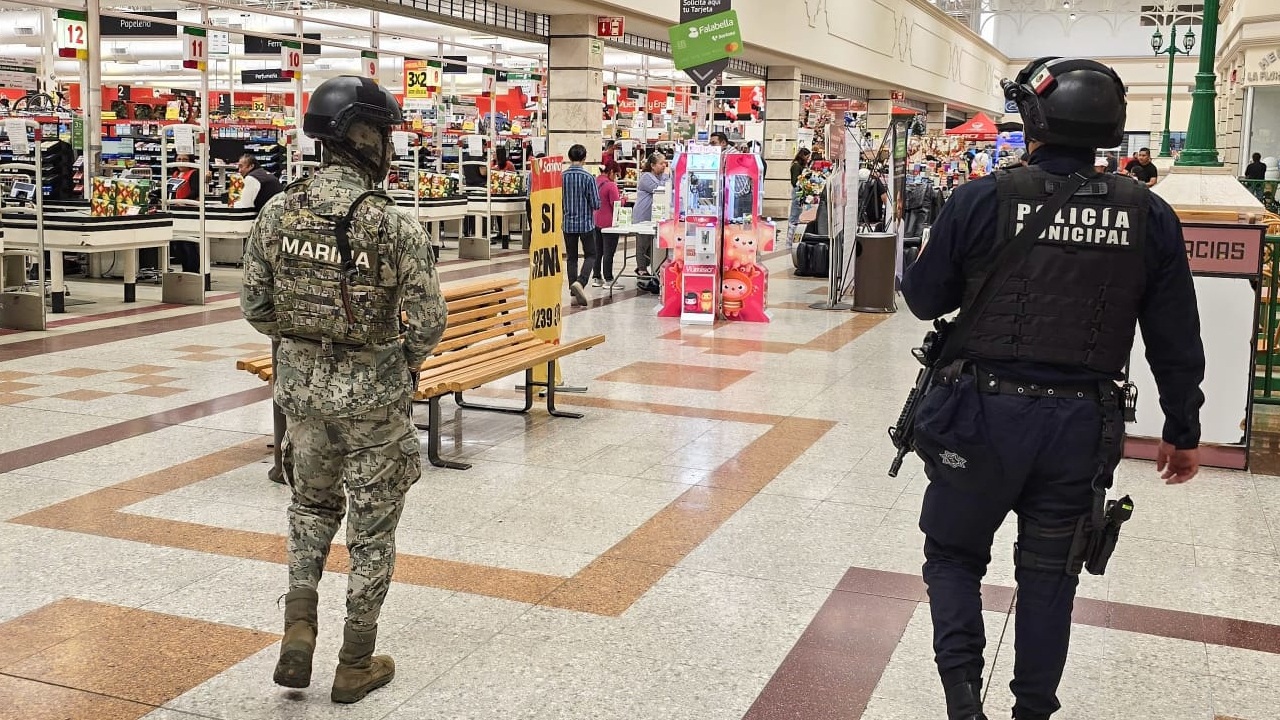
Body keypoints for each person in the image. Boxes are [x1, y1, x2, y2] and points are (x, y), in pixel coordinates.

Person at [900, 57, 1204, 720]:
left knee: (952, 556)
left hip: (978, 417)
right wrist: (1183, 431)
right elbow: (1176, 338)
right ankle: (1033, 711)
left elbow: (924, 301)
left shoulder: (982, 198)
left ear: (1033, 119)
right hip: (1078, 430)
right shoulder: (1148, 215)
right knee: (1050, 578)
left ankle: (961, 702)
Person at [240, 75, 447, 705]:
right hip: (374, 397)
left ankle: (297, 633)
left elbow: (256, 304)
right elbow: (430, 319)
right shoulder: (392, 225)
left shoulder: (279, 210)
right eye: (383, 133)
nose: (388, 145)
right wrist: (397, 360)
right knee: (372, 527)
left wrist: (301, 347)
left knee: (309, 508)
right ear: (361, 137)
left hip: (302, 396)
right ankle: (355, 659)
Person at [562, 143, 600, 307]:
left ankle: (573, 289)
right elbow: (596, 203)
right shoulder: (588, 178)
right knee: (591, 255)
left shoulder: (561, 177)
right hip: (585, 224)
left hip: (568, 224)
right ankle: (581, 282)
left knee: (571, 258)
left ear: (569, 158)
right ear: (584, 158)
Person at [632, 152, 668, 278]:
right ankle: (641, 269)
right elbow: (660, 189)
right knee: (642, 244)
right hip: (643, 214)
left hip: (656, 216)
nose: (664, 166)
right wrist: (666, 180)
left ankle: (653, 269)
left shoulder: (662, 176)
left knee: (652, 246)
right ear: (652, 165)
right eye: (661, 163)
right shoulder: (646, 177)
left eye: (665, 163)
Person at [591, 164, 623, 288]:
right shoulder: (611, 185)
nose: (615, 178)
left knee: (598, 251)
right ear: (610, 172)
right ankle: (609, 279)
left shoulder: (595, 182)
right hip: (609, 224)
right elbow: (616, 204)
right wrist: (624, 199)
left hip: (595, 221)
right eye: (615, 174)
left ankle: (597, 277)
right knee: (609, 252)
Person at [170, 154, 202, 272]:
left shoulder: (194, 173)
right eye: (178, 159)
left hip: (190, 211)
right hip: (177, 211)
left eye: (184, 159)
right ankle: (185, 269)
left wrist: (183, 201)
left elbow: (196, 191)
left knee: (189, 243)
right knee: (179, 243)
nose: (181, 162)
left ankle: (193, 270)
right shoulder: (175, 174)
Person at [787, 148, 812, 245]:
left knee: (797, 215)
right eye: (807, 156)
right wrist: (804, 176)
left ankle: (792, 240)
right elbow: (794, 182)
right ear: (803, 156)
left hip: (799, 192)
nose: (808, 158)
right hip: (797, 192)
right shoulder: (796, 166)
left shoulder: (798, 165)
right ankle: (789, 241)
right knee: (794, 216)